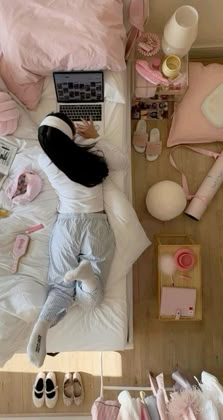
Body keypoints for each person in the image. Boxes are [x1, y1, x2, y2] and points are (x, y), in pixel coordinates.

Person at [27, 112, 129, 367]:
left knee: (60, 287)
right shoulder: (90, 152)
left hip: (67, 225)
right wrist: (95, 137)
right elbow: (122, 163)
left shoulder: (44, 160)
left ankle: (44, 322)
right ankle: (87, 276)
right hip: (96, 224)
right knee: (90, 303)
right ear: (71, 135)